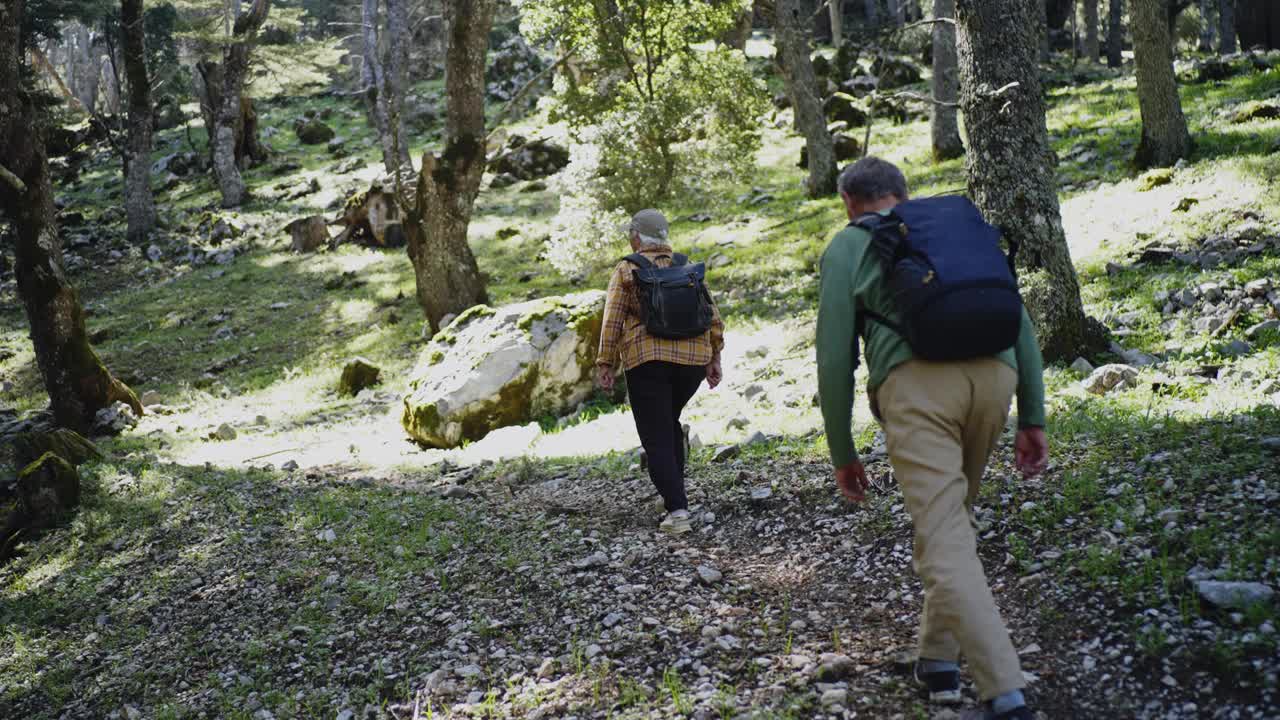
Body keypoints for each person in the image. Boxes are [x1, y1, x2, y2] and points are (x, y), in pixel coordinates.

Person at [816, 158, 1049, 720]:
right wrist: (1032, 417)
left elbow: (833, 355)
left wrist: (842, 453)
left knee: (943, 536)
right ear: (904, 193)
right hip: (996, 379)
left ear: (850, 202)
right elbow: (1018, 320)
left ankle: (1004, 688)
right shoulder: (957, 233)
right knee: (952, 521)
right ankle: (937, 658)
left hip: (919, 392)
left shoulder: (850, 245)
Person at [596, 209, 725, 534]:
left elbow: (612, 318)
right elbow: (712, 313)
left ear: (636, 237)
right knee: (666, 426)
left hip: (648, 360)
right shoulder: (686, 266)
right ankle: (672, 495)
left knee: (656, 435)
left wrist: (605, 362)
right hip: (692, 361)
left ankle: (678, 512)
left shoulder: (627, 269)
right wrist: (714, 356)